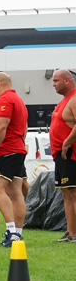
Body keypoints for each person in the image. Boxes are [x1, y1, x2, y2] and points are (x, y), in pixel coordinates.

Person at [0, 72, 28, 247]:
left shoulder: (5, 100)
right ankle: (17, 234)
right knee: (15, 193)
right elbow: (24, 127)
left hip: (6, 150)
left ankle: (11, 233)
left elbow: (1, 125)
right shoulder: (19, 100)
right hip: (17, 149)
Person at [49, 69, 76, 243]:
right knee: (66, 194)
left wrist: (66, 143)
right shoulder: (64, 101)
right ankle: (71, 232)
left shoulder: (74, 99)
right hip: (61, 154)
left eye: (56, 80)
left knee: (74, 193)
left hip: (70, 153)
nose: (53, 84)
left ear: (67, 80)